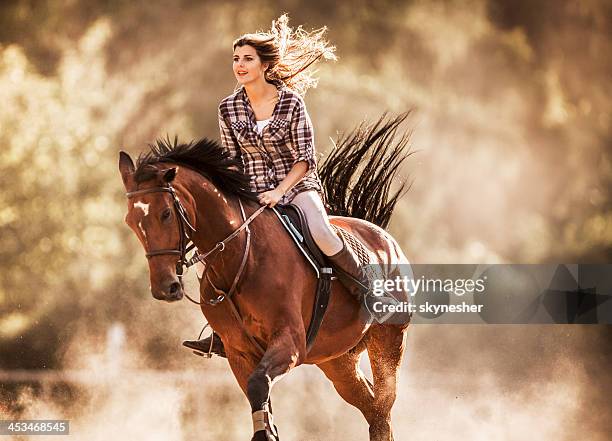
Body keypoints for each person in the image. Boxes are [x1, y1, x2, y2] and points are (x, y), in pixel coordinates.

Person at [184, 15, 372, 357]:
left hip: (298, 186)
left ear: (265, 65)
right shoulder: (227, 108)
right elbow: (231, 159)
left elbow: (305, 158)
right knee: (205, 256)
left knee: (322, 231)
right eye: (236, 59)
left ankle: (367, 290)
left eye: (247, 59)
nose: (239, 65)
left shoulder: (291, 103)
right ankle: (220, 330)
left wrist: (279, 191)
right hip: (251, 191)